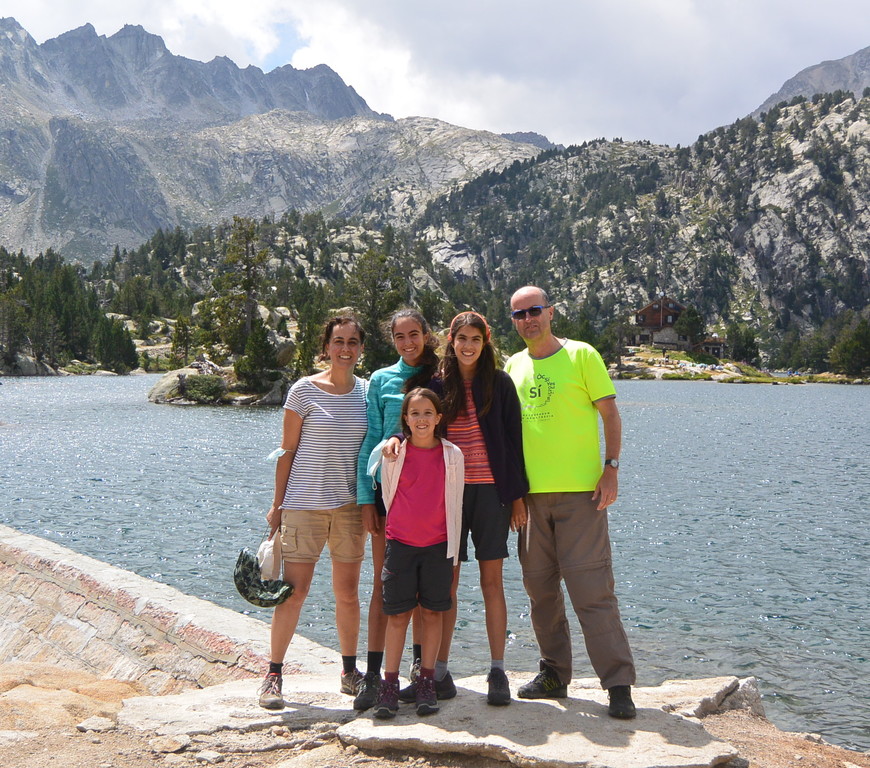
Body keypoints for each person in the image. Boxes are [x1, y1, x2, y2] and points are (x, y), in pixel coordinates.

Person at [504, 286, 637, 719]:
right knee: (541, 593)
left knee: (592, 591)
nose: (529, 319)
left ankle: (618, 684)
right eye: (519, 314)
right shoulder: (513, 365)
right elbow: (507, 437)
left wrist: (611, 467)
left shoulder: (582, 356)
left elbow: (610, 414)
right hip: (530, 500)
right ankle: (554, 674)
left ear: (551, 312)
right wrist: (513, 496)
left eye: (535, 311)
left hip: (583, 495)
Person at [389, 311, 528, 706]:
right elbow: (419, 423)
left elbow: (514, 443)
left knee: (491, 582)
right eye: (461, 338)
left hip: (492, 495)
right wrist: (397, 439)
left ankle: (498, 671)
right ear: (450, 340)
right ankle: (438, 673)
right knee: (443, 587)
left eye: (476, 339)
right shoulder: (436, 384)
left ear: (486, 343)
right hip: (446, 495)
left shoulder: (499, 384)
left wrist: (517, 497)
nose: (468, 346)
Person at [257, 316, 369, 710]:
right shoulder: (303, 391)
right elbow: (286, 452)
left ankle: (349, 672)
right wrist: (277, 506)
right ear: (326, 347)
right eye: (338, 341)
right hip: (303, 506)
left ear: (360, 348)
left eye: (352, 342)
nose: (345, 349)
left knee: (348, 594)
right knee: (294, 593)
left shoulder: (367, 394)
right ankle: (273, 675)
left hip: (350, 508)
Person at [352, 308, 440, 710]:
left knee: (427, 593)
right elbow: (372, 437)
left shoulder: (442, 375)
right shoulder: (381, 380)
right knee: (383, 585)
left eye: (415, 334)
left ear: (426, 334)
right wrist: (366, 500)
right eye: (400, 336)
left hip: (432, 496)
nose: (408, 342)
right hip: (388, 495)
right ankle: (372, 675)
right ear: (392, 340)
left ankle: (422, 676)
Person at [369, 388, 464, 718]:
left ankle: (426, 682)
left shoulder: (453, 455)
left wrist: (454, 548)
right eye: (415, 413)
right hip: (400, 544)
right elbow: (380, 482)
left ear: (438, 418)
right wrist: (392, 440)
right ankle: (390, 684)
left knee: (433, 613)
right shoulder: (393, 453)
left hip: (438, 546)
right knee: (397, 616)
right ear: (405, 420)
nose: (421, 419)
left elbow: (455, 504)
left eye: (428, 413)